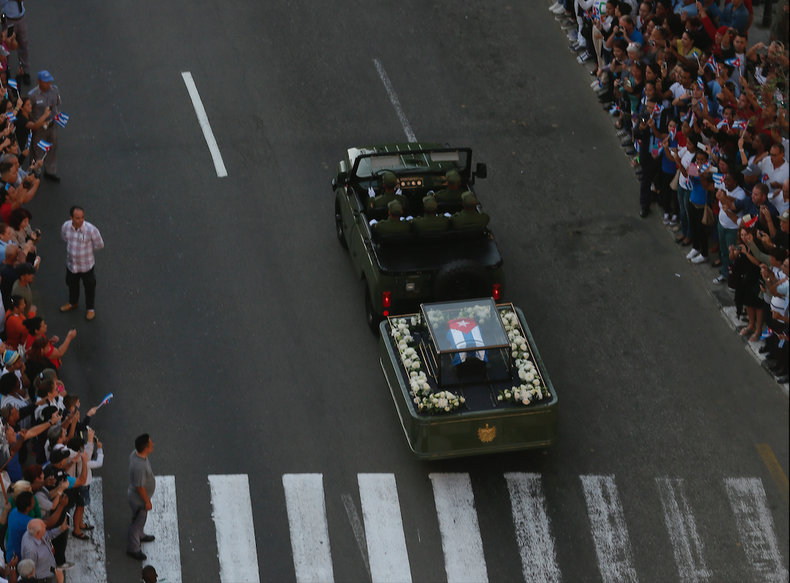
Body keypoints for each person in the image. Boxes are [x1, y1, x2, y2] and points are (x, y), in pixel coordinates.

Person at [59, 206, 104, 320]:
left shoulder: (91, 230)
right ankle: (73, 302)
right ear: (71, 218)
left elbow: (99, 244)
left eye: (82, 217)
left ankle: (90, 308)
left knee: (89, 287)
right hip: (71, 265)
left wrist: (87, 251)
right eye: (77, 218)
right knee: (71, 284)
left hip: (86, 266)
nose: (81, 220)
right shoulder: (66, 227)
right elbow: (64, 238)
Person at [28, 71, 61, 181]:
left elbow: (58, 103)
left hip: (52, 125)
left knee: (52, 147)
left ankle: (50, 171)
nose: (48, 84)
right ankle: (35, 172)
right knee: (37, 151)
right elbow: (28, 111)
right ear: (39, 81)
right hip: (40, 128)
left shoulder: (54, 90)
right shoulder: (33, 95)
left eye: (49, 81)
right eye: (45, 82)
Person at [128, 433, 156, 560]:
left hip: (137, 499)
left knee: (139, 520)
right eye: (151, 444)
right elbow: (140, 487)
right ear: (145, 449)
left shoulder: (136, 453)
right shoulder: (139, 467)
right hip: (139, 500)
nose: (153, 444)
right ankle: (133, 549)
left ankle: (140, 535)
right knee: (137, 523)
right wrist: (147, 501)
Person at [1, 0, 30, 85]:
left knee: (24, 46)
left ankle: (25, 71)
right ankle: (5, 71)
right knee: (6, 48)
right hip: (9, 20)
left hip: (21, 18)